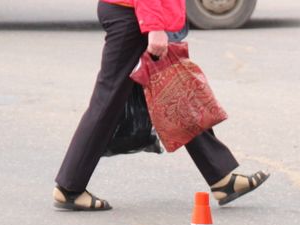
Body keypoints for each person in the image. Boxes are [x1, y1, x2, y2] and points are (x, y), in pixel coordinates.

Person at [53, 0, 269, 211]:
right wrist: (154, 27)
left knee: (176, 93)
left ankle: (221, 177)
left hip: (135, 14)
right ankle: (69, 187)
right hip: (134, 15)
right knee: (108, 99)